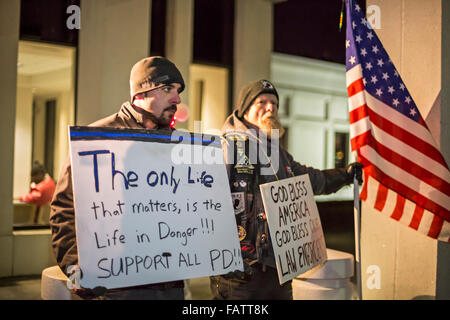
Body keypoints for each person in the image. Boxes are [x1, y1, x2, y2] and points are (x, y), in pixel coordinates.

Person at [210, 79, 363, 300]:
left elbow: (309, 180)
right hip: (240, 275)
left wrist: (345, 175)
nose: (270, 107)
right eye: (261, 101)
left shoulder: (277, 152)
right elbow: (208, 203)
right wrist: (221, 257)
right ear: (245, 109)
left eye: (274, 102)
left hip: (277, 269)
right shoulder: (227, 147)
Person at [50, 56, 186, 300]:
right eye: (167, 89)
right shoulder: (96, 140)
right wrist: (74, 268)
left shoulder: (178, 146)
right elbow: (63, 211)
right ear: (140, 95)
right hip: (116, 288)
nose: (177, 99)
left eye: (177, 91)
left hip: (169, 286)